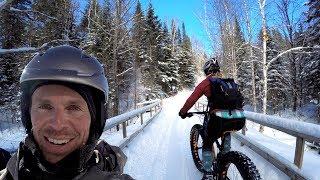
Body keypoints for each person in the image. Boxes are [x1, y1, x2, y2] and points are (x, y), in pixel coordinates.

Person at [0, 45, 133, 179]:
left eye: (74, 108)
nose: (57, 125)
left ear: (95, 120)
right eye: (45, 107)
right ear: (27, 114)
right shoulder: (9, 172)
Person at [179, 58, 245, 180]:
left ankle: (208, 173)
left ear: (206, 70)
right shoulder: (228, 82)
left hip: (218, 119)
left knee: (208, 141)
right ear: (217, 70)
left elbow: (192, 99)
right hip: (238, 119)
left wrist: (183, 112)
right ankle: (225, 160)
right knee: (227, 130)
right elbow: (240, 99)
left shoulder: (206, 82)